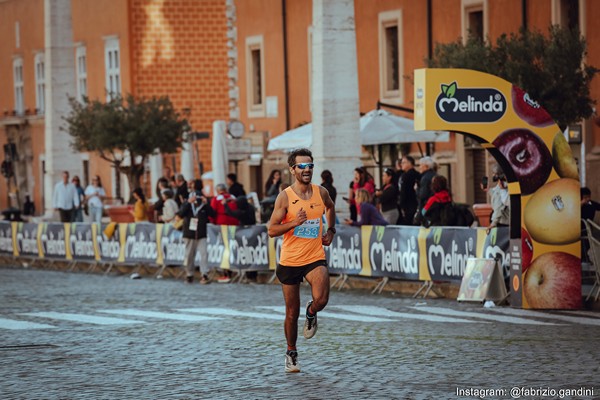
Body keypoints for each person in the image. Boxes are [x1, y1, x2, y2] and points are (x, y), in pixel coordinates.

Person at [267, 148, 336, 374]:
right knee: (290, 313)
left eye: (310, 166)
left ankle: (312, 311)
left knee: (322, 299)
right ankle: (291, 352)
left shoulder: (321, 192)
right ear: (292, 169)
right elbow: (271, 230)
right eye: (302, 167)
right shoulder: (285, 196)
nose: (307, 170)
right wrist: (294, 223)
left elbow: (331, 207)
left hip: (314, 256)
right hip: (290, 261)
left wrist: (332, 230)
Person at [175, 190, 215, 284]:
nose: (197, 200)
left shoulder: (203, 206)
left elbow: (213, 214)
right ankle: (189, 274)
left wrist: (207, 204)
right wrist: (188, 203)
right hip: (189, 234)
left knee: (204, 254)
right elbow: (180, 214)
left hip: (201, 234)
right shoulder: (187, 205)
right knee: (189, 255)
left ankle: (204, 274)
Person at [211, 183, 239, 282]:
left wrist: (212, 223)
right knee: (232, 247)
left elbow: (212, 212)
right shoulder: (233, 197)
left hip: (222, 224)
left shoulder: (216, 199)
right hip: (234, 224)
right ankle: (233, 270)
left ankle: (226, 273)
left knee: (224, 248)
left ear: (218, 190)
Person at [486, 165, 510, 234]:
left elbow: (499, 207)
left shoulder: (503, 186)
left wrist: (493, 223)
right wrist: (488, 190)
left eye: (494, 173)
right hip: (502, 221)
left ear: (499, 175)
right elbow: (496, 195)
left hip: (502, 222)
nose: (493, 175)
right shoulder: (500, 185)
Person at [397, 155, 420, 225]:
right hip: (416, 204)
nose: (401, 165)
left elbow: (403, 192)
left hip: (408, 205)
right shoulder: (418, 174)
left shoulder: (405, 176)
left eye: (404, 162)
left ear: (410, 163)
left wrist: (401, 205)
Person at [415, 156, 437, 225]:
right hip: (435, 207)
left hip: (427, 208)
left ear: (426, 166)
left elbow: (423, 195)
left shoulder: (425, 178)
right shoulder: (435, 175)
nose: (419, 167)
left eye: (421, 165)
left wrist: (417, 189)